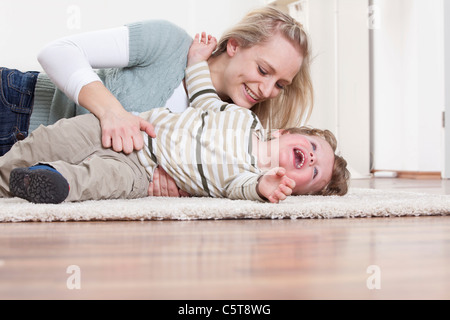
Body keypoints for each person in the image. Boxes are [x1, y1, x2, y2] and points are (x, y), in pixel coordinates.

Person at [0, 33, 349, 204]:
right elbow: (204, 97)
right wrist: (197, 60)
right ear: (284, 133)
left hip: (140, 172)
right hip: (141, 128)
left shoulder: (250, 177)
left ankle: (44, 180)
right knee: (56, 140)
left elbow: (238, 189)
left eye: (314, 173)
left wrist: (263, 188)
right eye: (263, 69)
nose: (268, 89)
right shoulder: (242, 120)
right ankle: (7, 174)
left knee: (97, 182)